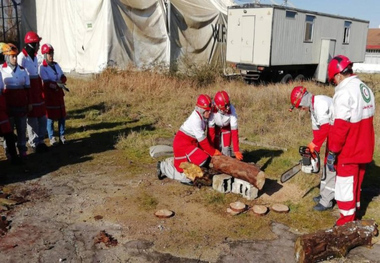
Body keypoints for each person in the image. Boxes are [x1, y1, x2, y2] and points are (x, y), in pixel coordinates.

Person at [327, 55, 375, 226]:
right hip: (365, 146)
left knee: (345, 186)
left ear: (339, 75)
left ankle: (346, 221)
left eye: (334, 80)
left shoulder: (344, 93)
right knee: (356, 184)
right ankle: (354, 213)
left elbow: (340, 127)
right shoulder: (364, 88)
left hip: (350, 148)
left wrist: (333, 151)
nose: (335, 84)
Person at [157, 94, 222, 185]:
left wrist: (212, 150)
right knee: (184, 171)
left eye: (210, 110)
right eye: (207, 111)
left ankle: (173, 162)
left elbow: (210, 134)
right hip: (182, 144)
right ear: (201, 110)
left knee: (202, 159)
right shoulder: (196, 119)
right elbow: (203, 141)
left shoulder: (204, 116)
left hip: (191, 143)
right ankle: (163, 167)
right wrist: (213, 152)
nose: (209, 112)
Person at [289, 86, 335, 211]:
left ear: (304, 100)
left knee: (331, 166)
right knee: (326, 163)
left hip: (339, 132)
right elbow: (317, 131)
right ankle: (323, 194)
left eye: (300, 106)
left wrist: (314, 145)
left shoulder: (319, 104)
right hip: (332, 134)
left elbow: (325, 128)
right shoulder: (313, 110)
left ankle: (327, 201)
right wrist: (314, 152)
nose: (301, 109)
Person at [17, 31, 48, 153]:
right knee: (32, 117)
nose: (39, 46)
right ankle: (34, 142)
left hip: (37, 88)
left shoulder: (35, 57)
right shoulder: (21, 57)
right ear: (32, 44)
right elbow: (20, 75)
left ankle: (41, 140)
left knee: (42, 116)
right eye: (37, 43)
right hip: (28, 88)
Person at [0, 43, 31, 159]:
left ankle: (22, 149)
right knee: (8, 130)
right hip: (8, 106)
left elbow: (28, 89)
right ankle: (9, 151)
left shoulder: (23, 70)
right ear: (7, 57)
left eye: (16, 56)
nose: (14, 58)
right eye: (12, 56)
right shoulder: (1, 70)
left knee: (22, 129)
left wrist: (30, 103)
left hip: (21, 104)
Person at [39, 43, 68, 145]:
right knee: (50, 117)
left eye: (52, 53)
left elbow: (62, 75)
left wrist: (63, 80)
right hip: (50, 95)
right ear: (44, 55)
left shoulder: (56, 65)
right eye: (49, 54)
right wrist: (56, 85)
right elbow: (46, 82)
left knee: (62, 115)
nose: (51, 55)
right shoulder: (42, 67)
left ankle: (62, 135)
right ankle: (52, 137)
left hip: (59, 94)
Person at [208, 90, 243, 161]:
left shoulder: (232, 110)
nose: (228, 108)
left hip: (226, 128)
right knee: (216, 147)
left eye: (228, 104)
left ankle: (227, 162)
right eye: (225, 106)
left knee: (226, 149)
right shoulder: (212, 110)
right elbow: (211, 132)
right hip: (216, 128)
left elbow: (234, 131)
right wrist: (210, 149)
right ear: (219, 106)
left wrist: (236, 150)